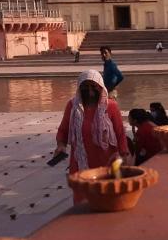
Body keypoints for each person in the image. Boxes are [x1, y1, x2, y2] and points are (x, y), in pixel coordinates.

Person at [55, 70, 131, 204]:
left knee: (107, 196)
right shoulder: (73, 106)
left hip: (106, 160)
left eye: (93, 87)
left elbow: (120, 132)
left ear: (100, 87)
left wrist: (124, 154)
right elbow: (63, 130)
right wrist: (61, 146)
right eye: (85, 87)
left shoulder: (110, 106)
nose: (90, 91)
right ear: (80, 88)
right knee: (83, 200)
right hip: (80, 161)